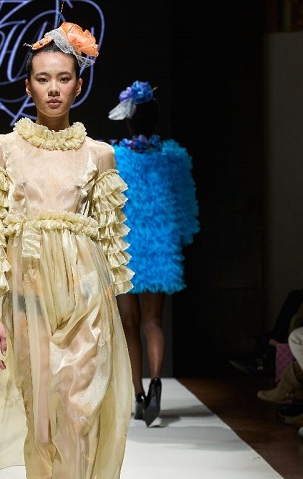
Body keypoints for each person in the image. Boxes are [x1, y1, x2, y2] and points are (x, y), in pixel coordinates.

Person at [0, 21, 134, 479]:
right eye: (43, 79)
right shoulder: (3, 149)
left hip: (86, 300)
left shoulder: (100, 155)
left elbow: (110, 242)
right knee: (40, 424)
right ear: (29, 85)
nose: (53, 88)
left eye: (63, 78)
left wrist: (112, 316)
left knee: (78, 417)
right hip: (28, 297)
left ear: (79, 85)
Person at [107, 80, 200, 425]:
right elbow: (187, 206)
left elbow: (106, 209)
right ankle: (157, 383)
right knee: (153, 321)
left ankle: (138, 395)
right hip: (160, 247)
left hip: (125, 247)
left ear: (129, 123)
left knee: (129, 323)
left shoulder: (114, 159)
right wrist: (181, 238)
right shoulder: (174, 158)